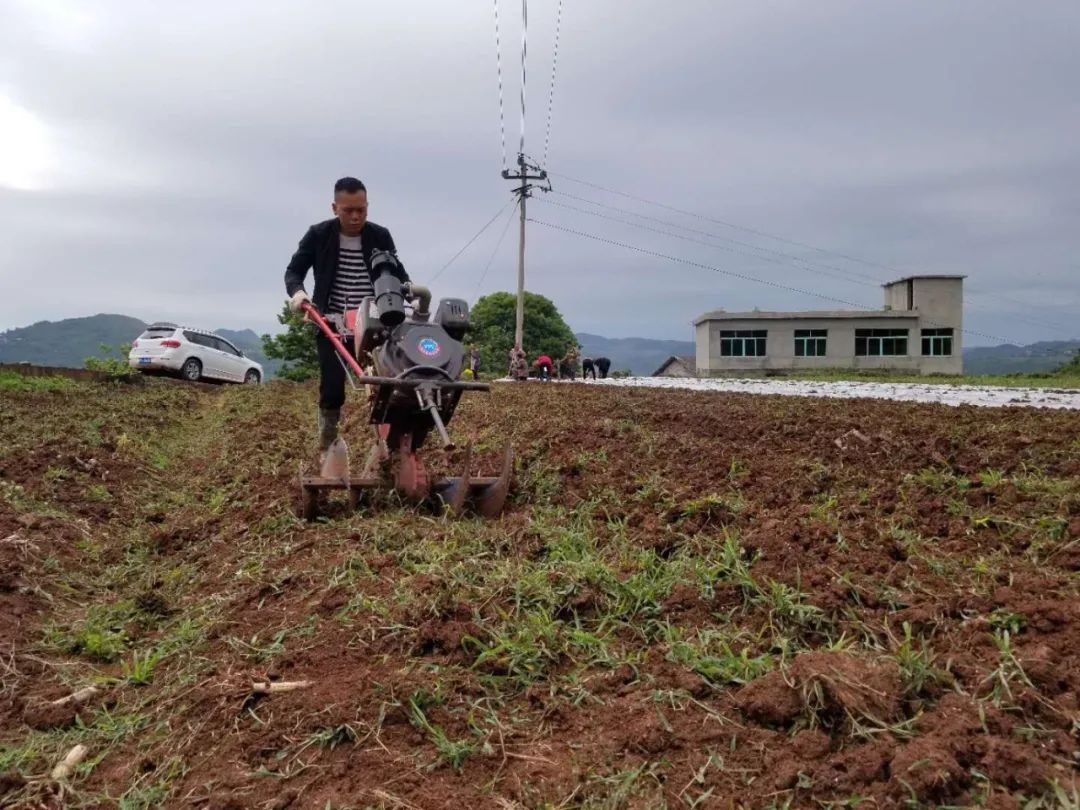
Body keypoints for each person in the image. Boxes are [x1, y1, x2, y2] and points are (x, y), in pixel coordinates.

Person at [284, 176, 409, 464]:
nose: (355, 217)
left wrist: (408, 287)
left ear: (367, 207)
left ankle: (388, 448)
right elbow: (293, 272)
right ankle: (328, 443)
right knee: (332, 386)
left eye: (361, 210)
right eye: (348, 210)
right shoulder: (318, 235)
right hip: (331, 323)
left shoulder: (380, 236)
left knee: (387, 384)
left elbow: (397, 270)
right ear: (334, 208)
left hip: (374, 322)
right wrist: (299, 295)